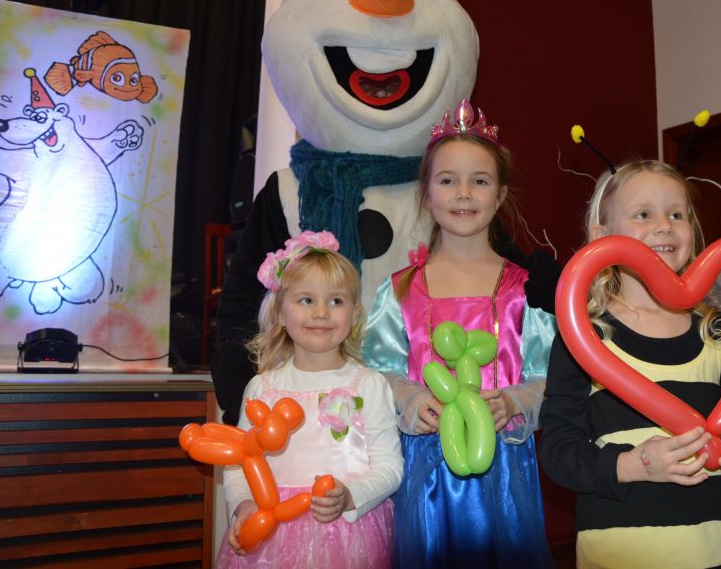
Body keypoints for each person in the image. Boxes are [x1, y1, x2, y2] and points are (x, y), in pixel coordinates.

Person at [538, 160, 721, 569]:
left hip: (708, 559)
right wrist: (636, 464)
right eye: (643, 214)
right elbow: (558, 452)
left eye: (677, 214)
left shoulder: (719, 335)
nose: (664, 226)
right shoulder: (584, 337)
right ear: (602, 238)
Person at [363, 99, 556, 568]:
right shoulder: (399, 291)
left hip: (505, 476)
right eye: (448, 180)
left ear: (500, 195)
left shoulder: (527, 290)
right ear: (426, 193)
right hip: (425, 472)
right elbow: (375, 374)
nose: (463, 193)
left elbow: (550, 379)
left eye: (480, 181)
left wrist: (514, 402)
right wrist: (411, 399)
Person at [218, 230, 403, 569]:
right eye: (306, 300)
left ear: (354, 313)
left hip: (347, 539)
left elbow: (390, 467)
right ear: (280, 313)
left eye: (336, 301)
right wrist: (243, 505)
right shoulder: (261, 389)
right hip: (270, 538)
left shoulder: (369, 385)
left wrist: (350, 495)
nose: (321, 312)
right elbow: (238, 461)